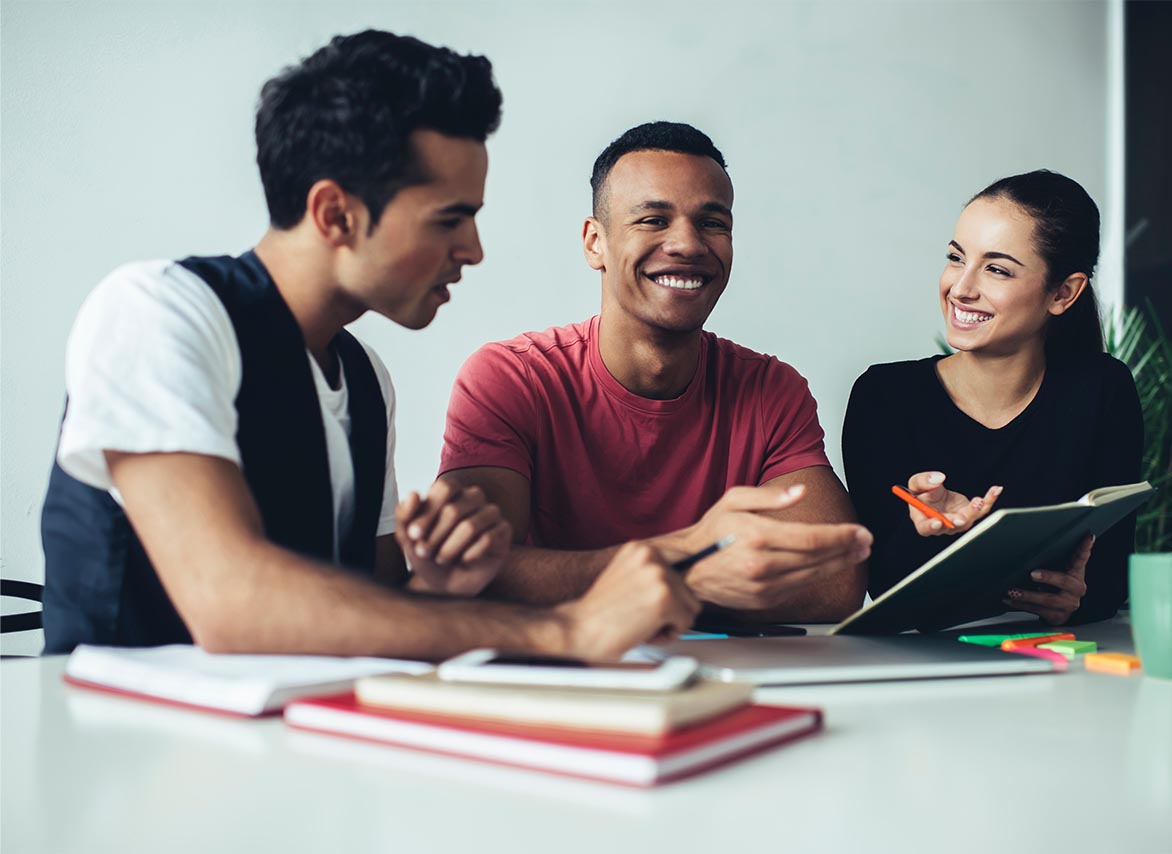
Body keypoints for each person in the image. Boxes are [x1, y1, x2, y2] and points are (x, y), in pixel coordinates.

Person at [40, 31, 698, 660]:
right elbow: (229, 601)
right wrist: (564, 630)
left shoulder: (362, 375)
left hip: (287, 747)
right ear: (335, 214)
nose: (473, 250)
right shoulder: (158, 312)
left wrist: (436, 587)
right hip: (121, 749)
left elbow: (373, 612)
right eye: (450, 219)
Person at [428, 122, 872, 624]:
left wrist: (616, 582)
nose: (687, 243)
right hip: (555, 682)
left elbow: (837, 580)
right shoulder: (509, 379)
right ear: (595, 242)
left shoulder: (771, 389)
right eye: (653, 220)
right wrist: (694, 562)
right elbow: (474, 575)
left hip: (727, 683)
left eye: (712, 223)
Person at [842, 169, 1142, 627]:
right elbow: (884, 585)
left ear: (1063, 293)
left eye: (996, 269)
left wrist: (1076, 601)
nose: (961, 287)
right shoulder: (883, 398)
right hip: (922, 668)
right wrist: (931, 532)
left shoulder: (1103, 390)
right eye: (956, 258)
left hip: (1063, 665)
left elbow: (1110, 575)